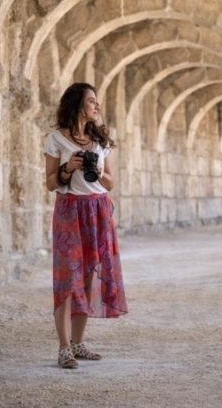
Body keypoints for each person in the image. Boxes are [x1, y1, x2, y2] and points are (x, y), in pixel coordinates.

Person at [43, 82, 127, 369]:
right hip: (70, 211)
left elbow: (112, 182)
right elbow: (51, 183)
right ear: (77, 104)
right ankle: (63, 348)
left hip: (98, 209)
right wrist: (69, 168)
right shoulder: (55, 139)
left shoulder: (101, 141)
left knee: (89, 276)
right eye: (91, 100)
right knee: (67, 278)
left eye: (97, 101)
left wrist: (98, 172)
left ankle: (79, 343)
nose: (97, 105)